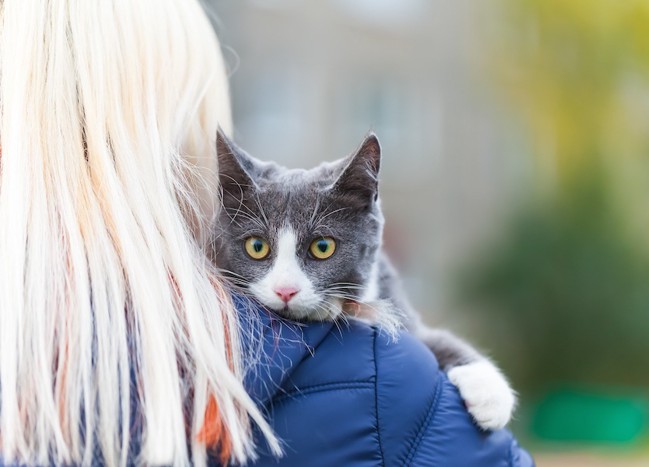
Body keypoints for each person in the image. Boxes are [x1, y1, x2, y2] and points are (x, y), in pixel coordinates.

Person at [0, 0, 533, 465]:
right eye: (256, 248)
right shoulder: (386, 384)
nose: (282, 286)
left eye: (320, 248)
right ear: (196, 158)